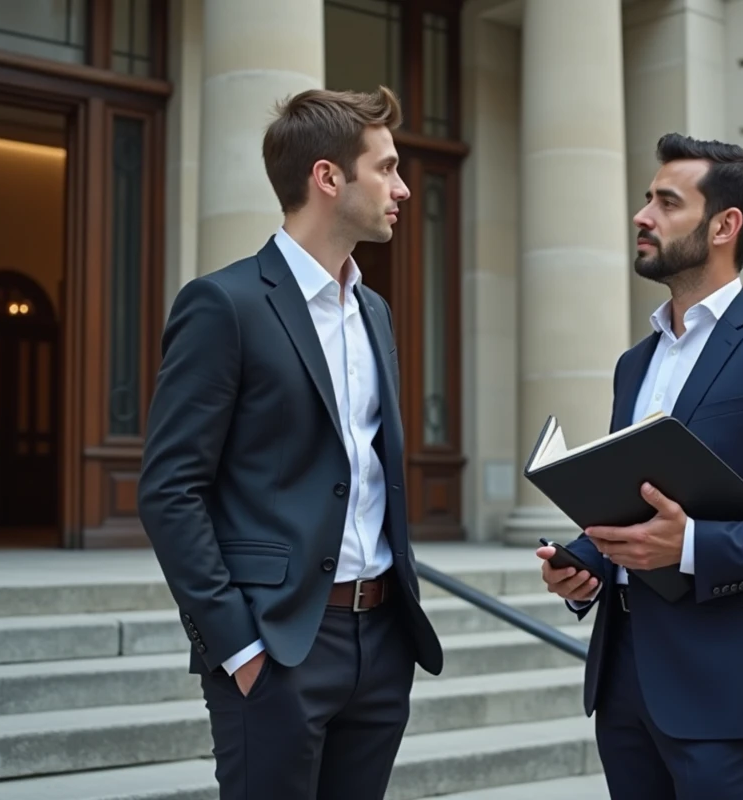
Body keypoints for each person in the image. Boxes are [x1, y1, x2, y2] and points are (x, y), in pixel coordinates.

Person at [536, 133, 743, 799]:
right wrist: (586, 564)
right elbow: (633, 503)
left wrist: (691, 546)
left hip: (725, 684)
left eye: (665, 201)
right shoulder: (635, 363)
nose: (642, 215)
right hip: (623, 677)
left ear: (724, 226)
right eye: (646, 199)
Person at [137, 85, 443, 800]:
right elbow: (169, 487)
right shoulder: (224, 304)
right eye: (387, 167)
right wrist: (237, 646)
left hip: (381, 639)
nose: (401, 187)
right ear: (328, 178)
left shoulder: (375, 311)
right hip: (278, 645)